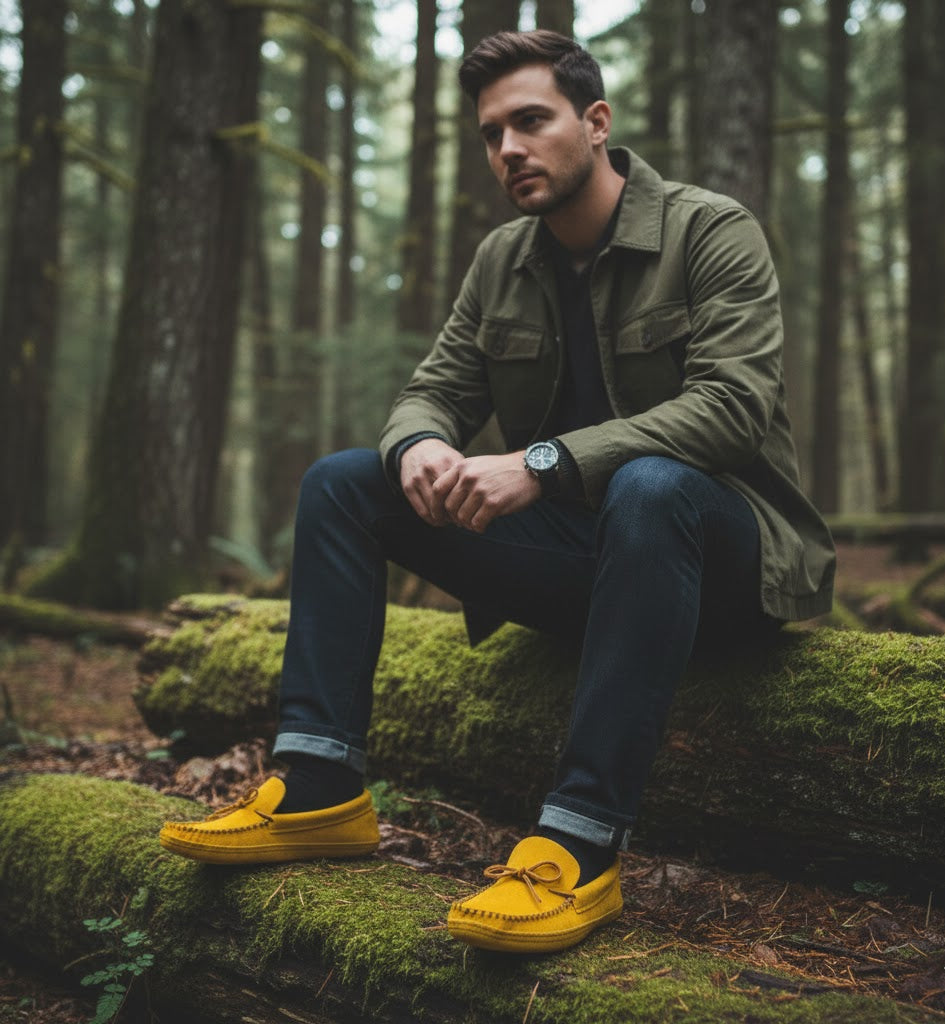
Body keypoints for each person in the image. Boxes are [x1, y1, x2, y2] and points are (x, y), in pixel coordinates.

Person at [160, 30, 835, 955]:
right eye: (491, 134)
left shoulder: (707, 231)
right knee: (345, 482)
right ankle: (318, 785)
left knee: (647, 487)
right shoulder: (502, 261)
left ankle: (578, 846)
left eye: (530, 121)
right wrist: (421, 447)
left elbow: (732, 408)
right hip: (584, 570)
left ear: (594, 123)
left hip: (721, 559)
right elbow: (433, 389)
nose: (508, 149)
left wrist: (544, 464)